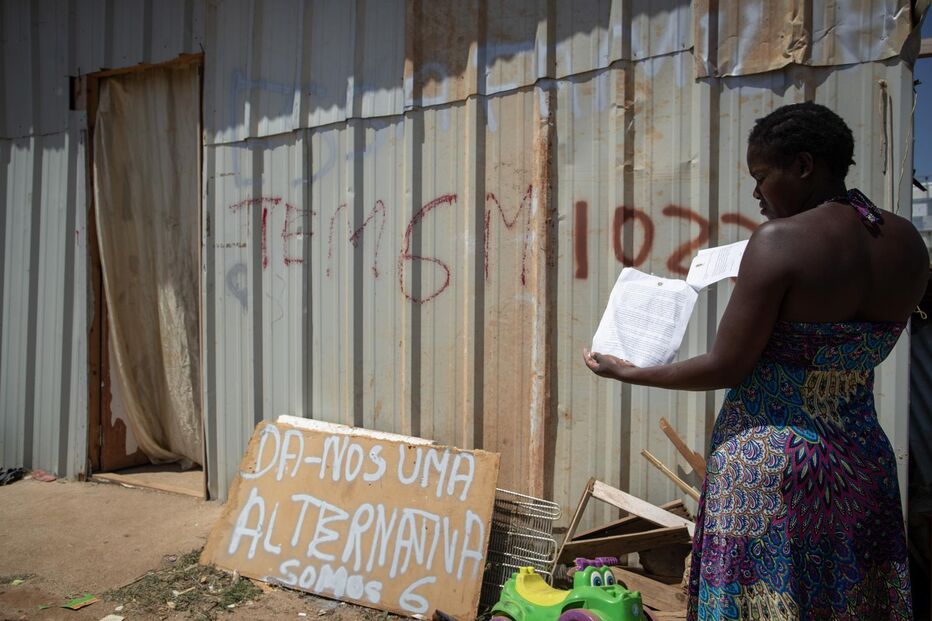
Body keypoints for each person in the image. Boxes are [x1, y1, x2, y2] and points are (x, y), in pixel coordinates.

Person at [583, 102, 928, 619]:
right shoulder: (908, 243)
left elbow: (726, 366)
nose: (756, 193)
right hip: (861, 461)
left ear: (805, 165)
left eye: (761, 176)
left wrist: (629, 371)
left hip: (771, 466)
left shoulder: (780, 242)